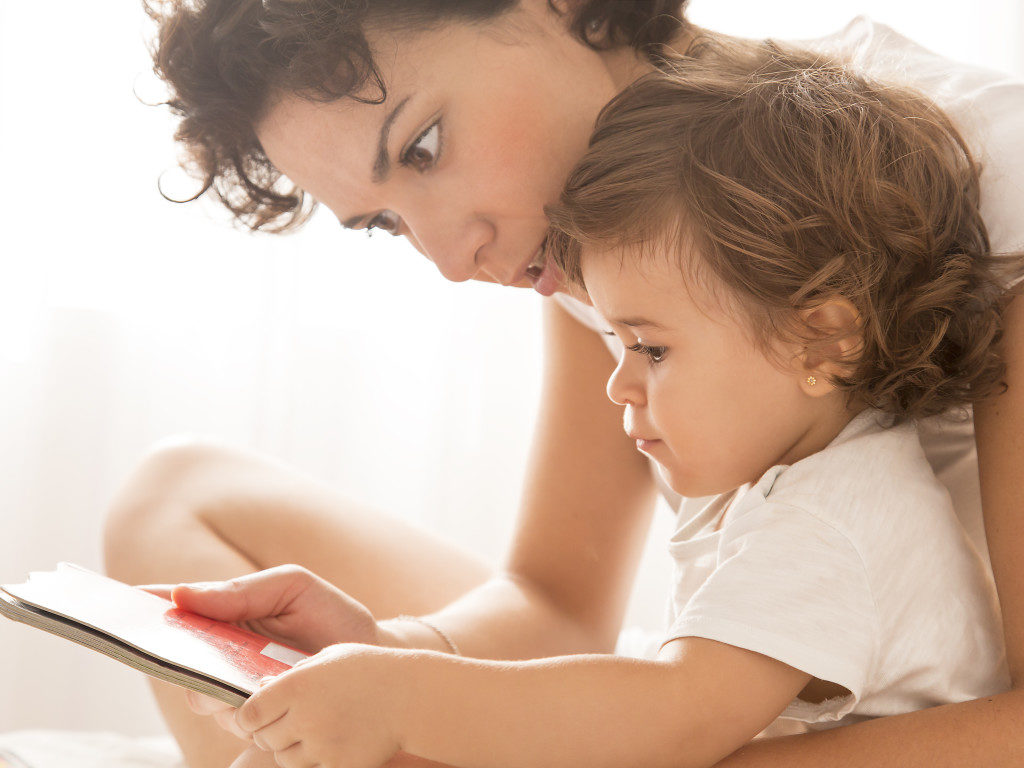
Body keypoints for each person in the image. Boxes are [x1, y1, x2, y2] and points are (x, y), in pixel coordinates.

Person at [104, 2, 1024, 767]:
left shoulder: (986, 170)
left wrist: (616, 742)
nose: (452, 261)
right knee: (177, 496)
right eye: (386, 223)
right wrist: (392, 657)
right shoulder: (598, 233)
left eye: (422, 146)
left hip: (930, 715)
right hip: (770, 673)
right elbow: (556, 603)